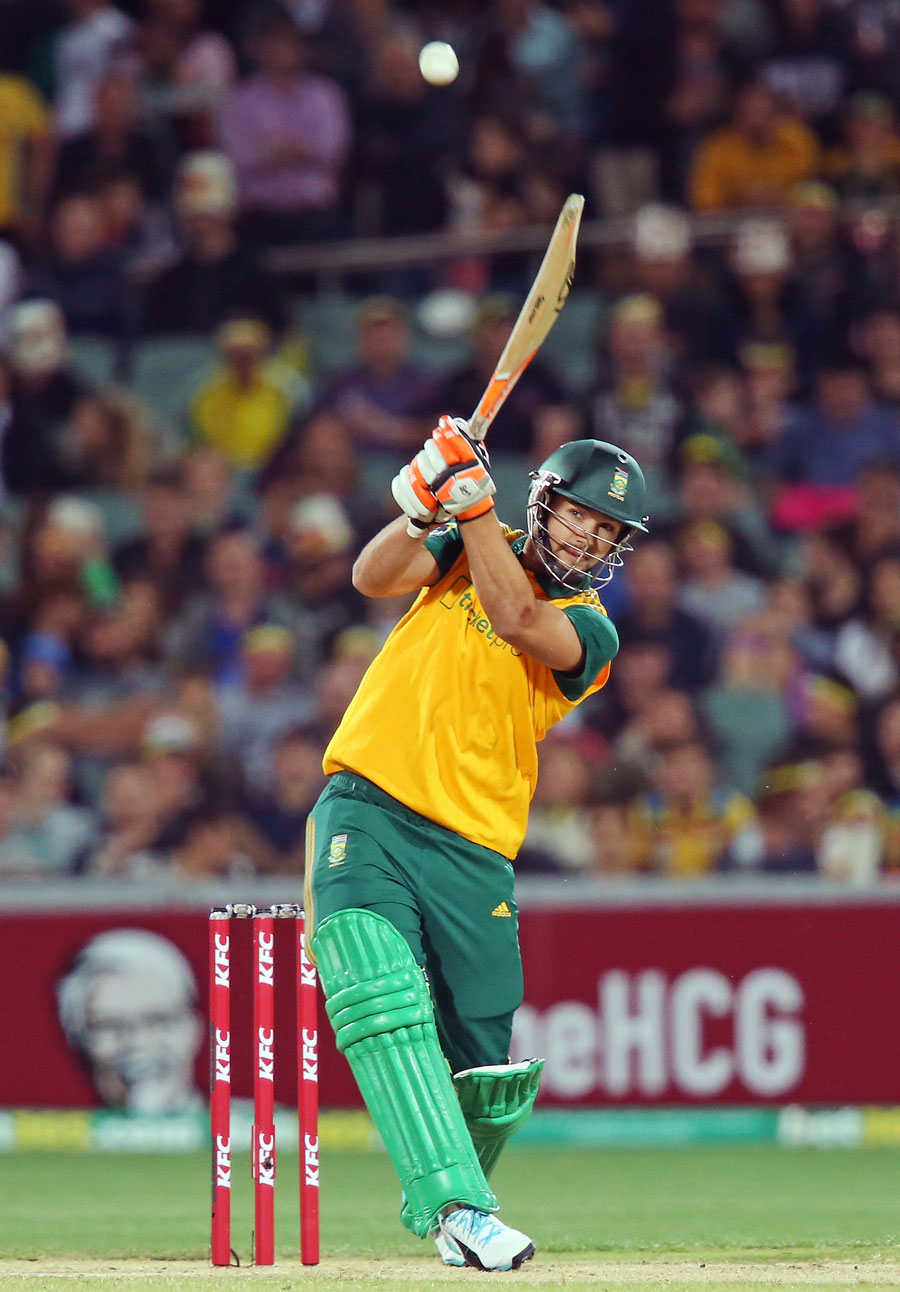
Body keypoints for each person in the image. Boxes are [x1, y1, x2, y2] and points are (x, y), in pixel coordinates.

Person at [305, 416, 648, 1269]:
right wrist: (424, 507)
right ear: (546, 504)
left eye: (608, 531)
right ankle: (457, 1207)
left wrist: (472, 503)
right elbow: (371, 573)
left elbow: (516, 611)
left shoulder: (592, 631)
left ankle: (457, 1187)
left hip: (474, 851)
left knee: (486, 1082)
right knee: (375, 987)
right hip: (369, 808)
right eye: (580, 515)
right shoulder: (466, 544)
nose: (591, 536)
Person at [56, 927, 203, 1112]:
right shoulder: (60, 1139)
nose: (138, 1042)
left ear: (195, 1028)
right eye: (111, 1026)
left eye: (159, 1021)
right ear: (77, 1040)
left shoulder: (247, 1132)